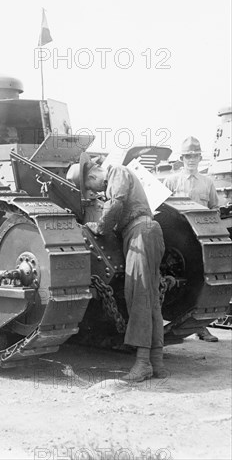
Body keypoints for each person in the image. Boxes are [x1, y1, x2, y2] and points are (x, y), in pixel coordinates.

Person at [70, 153, 166, 382]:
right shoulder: (116, 175)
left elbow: (115, 203)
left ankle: (143, 364)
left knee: (139, 296)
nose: (95, 193)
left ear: (92, 174)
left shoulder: (116, 171)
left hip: (140, 234)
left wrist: (99, 227)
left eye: (90, 187)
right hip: (141, 234)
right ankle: (157, 362)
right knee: (149, 298)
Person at [163, 136, 220, 342]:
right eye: (188, 156)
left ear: (200, 157)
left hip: (201, 241)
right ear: (182, 158)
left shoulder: (207, 183)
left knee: (202, 281)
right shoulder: (171, 181)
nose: (192, 160)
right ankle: (177, 320)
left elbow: (214, 208)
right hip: (178, 241)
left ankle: (201, 327)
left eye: (195, 156)